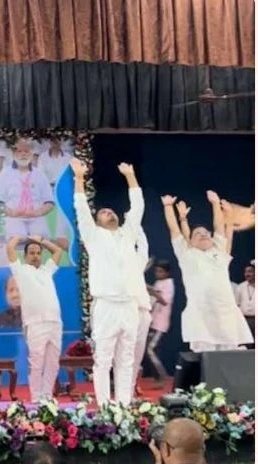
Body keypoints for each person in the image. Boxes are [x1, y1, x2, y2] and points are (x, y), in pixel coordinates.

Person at [71, 158, 143, 406]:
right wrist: (79, 179)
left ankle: (123, 404)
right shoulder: (93, 236)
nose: (109, 212)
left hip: (130, 305)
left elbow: (138, 206)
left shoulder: (128, 233)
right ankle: (104, 406)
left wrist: (130, 177)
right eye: (103, 212)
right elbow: (81, 209)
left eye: (110, 210)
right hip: (106, 305)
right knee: (103, 358)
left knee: (127, 359)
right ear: (97, 220)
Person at [161, 192, 253, 352]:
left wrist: (216, 204)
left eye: (206, 233)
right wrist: (168, 206)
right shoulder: (187, 255)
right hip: (200, 317)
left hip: (226, 316)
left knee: (229, 360)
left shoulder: (220, 252)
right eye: (198, 234)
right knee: (205, 361)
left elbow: (219, 226)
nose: (203, 235)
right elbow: (174, 229)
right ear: (190, 240)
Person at [6, 235, 63, 402]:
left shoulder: (47, 270)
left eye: (38, 253)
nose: (35, 255)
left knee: (53, 364)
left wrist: (42, 241)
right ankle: (36, 398)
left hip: (55, 322)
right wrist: (23, 238)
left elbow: (58, 251)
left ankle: (47, 395)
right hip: (35, 323)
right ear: (25, 256)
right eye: (31, 252)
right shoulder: (20, 270)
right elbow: (10, 248)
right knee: (36, 363)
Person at [0, 138, 54, 240]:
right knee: (17, 238)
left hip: (36, 216)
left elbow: (49, 202)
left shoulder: (39, 174)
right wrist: (11, 212)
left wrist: (37, 212)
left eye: (26, 151)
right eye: (20, 151)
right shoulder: (5, 173)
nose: (23, 154)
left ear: (32, 154)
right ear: (13, 154)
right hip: (14, 217)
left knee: (40, 238)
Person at [131, 230, 153, 396]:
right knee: (123, 354)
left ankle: (130, 387)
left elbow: (143, 246)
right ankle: (120, 389)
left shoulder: (137, 262)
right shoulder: (112, 261)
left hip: (142, 311)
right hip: (124, 309)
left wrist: (137, 226)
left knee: (138, 353)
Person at [147, 261, 174, 387]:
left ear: (167, 272)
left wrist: (153, 292)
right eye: (156, 271)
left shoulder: (169, 283)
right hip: (153, 321)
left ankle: (162, 377)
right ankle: (158, 378)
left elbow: (164, 301)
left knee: (150, 349)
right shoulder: (158, 283)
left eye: (160, 271)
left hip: (160, 323)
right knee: (152, 350)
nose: (157, 273)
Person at [235, 262, 255, 343]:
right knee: (247, 343)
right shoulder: (240, 287)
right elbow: (237, 304)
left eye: (250, 271)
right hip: (245, 320)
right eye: (246, 272)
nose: (247, 274)